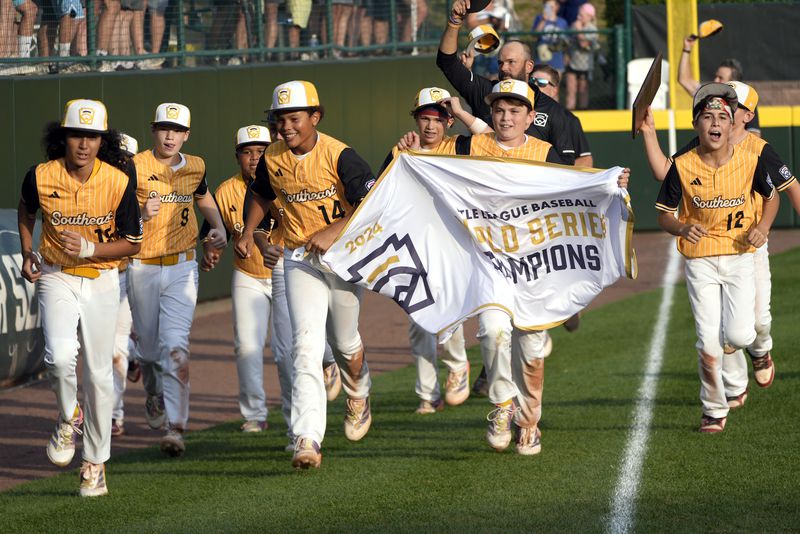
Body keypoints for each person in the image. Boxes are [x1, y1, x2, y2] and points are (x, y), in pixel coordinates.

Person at [424, 79, 628, 454]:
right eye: (500, 110)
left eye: (515, 110)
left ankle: (529, 422)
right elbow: (429, 157)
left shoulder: (546, 152)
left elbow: (575, 189)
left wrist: (609, 183)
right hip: (491, 262)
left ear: (530, 116)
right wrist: (412, 147)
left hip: (537, 265)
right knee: (493, 330)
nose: (506, 117)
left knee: (531, 352)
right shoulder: (471, 146)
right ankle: (502, 405)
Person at [236, 80, 375, 469]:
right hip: (299, 258)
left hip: (344, 257)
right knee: (306, 347)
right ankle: (308, 438)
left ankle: (359, 388)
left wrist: (334, 230)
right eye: (280, 120)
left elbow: (371, 202)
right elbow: (262, 194)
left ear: (315, 116)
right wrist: (250, 232)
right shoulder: (274, 157)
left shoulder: (340, 154)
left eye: (294, 118)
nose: (286, 127)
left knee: (345, 342)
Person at [641, 82, 798, 403]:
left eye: (732, 105)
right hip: (709, 248)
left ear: (744, 115)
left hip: (750, 242)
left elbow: (788, 189)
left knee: (755, 321)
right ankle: (735, 385)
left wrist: (764, 229)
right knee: (722, 329)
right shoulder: (697, 147)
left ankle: (761, 349)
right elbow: (663, 173)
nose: (722, 110)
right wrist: (649, 133)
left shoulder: (759, 150)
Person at [17, 99, 143, 496]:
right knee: (57, 356)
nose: (84, 144)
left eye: (91, 137)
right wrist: (26, 250)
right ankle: (69, 415)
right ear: (63, 137)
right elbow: (26, 209)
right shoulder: (41, 175)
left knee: (100, 375)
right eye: (76, 135)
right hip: (56, 275)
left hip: (103, 279)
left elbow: (133, 244)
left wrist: (90, 249)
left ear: (101, 141)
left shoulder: (118, 181)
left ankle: (94, 463)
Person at [128, 102, 227, 457]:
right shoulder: (135, 167)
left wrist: (218, 228)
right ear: (153, 130)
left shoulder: (196, 165)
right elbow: (115, 217)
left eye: (177, 130)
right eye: (163, 128)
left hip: (182, 266)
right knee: (150, 352)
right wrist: (141, 213)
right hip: (141, 265)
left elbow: (203, 197)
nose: (170, 135)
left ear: (186, 134)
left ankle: (176, 427)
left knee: (176, 346)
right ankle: (153, 391)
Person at [378, 87, 471, 415]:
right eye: (424, 118)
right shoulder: (401, 151)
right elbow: (379, 195)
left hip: (452, 242)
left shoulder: (460, 146)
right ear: (416, 120)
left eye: (437, 119)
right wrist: (406, 157)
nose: (430, 126)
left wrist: (460, 112)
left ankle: (458, 365)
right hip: (415, 243)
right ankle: (428, 394)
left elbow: (488, 137)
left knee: (447, 314)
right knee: (418, 321)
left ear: (448, 123)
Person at [437, 0, 579, 165]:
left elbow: (565, 166)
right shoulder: (486, 92)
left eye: (511, 62)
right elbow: (446, 62)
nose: (504, 68)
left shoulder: (552, 109)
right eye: (500, 63)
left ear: (529, 66)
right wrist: (455, 20)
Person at [110, 132, 141, 438]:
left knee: (115, 346)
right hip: (96, 275)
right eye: (114, 157)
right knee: (109, 347)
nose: (120, 164)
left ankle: (114, 414)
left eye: (125, 160)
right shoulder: (94, 184)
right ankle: (134, 352)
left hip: (129, 274)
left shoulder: (142, 189)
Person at [678, 35, 760, 136]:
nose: (715, 80)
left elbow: (755, 135)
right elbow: (684, 80)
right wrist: (687, 49)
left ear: (733, 83)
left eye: (721, 78)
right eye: (716, 76)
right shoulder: (710, 94)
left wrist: (728, 147)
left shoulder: (744, 103)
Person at [532, 64, 592, 167]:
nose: (534, 85)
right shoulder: (517, 112)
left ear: (555, 90)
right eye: (532, 81)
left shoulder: (568, 118)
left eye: (541, 83)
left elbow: (585, 160)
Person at [564, 2, 597, 111]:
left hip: (585, 65)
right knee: (571, 90)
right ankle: (570, 112)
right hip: (572, 62)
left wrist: (578, 30)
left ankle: (583, 112)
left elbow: (584, 44)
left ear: (589, 16)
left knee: (583, 90)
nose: (578, 17)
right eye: (578, 14)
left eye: (581, 15)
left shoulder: (592, 29)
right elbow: (568, 42)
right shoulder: (575, 26)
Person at [532, 0, 567, 74]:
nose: (549, 9)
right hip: (541, 59)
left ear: (557, 7)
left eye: (551, 7)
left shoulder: (562, 22)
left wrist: (566, 55)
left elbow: (566, 42)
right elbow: (534, 36)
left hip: (557, 60)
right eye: (547, 6)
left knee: (555, 84)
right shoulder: (539, 18)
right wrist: (543, 20)